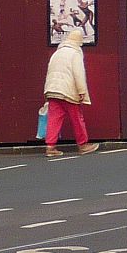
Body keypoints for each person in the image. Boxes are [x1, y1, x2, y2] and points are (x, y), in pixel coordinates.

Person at [42, 29, 99, 157]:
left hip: (52, 89)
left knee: (54, 119)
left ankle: (50, 146)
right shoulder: (75, 53)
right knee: (77, 118)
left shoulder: (57, 53)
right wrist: (82, 91)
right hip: (67, 90)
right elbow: (79, 74)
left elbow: (50, 71)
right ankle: (83, 144)